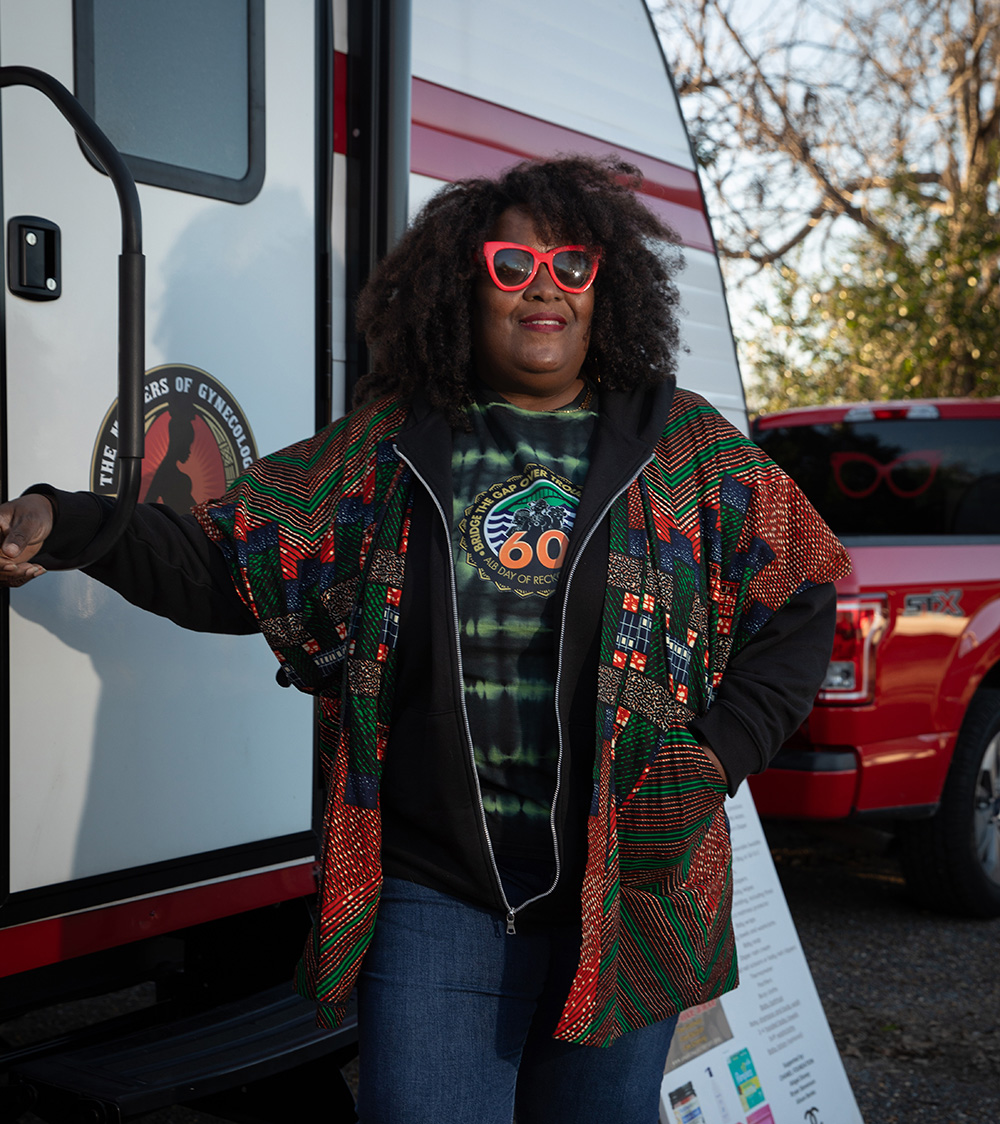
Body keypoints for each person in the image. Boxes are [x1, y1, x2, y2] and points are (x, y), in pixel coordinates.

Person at [0, 156, 850, 1123]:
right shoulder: (389, 448)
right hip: (435, 891)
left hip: (632, 886)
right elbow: (223, 561)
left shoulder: (684, 447)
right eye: (511, 264)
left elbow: (802, 585)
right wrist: (65, 522)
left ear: (605, 290)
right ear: (462, 283)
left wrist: (716, 756)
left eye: (573, 266)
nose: (545, 288)